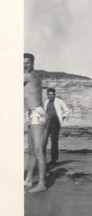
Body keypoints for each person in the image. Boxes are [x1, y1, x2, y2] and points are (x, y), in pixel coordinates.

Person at [24, 53, 47, 193]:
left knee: (38, 151)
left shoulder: (30, 76)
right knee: (31, 151)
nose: (24, 65)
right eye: (22, 63)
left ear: (32, 63)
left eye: (27, 62)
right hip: (30, 114)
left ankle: (42, 184)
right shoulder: (25, 76)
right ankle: (28, 180)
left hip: (37, 114)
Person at [43, 88, 70, 165]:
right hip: (47, 122)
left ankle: (54, 160)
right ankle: (43, 159)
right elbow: (44, 112)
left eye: (52, 94)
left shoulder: (59, 101)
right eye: (49, 94)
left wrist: (62, 117)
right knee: (44, 141)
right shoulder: (46, 102)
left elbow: (67, 110)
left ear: (54, 95)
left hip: (55, 122)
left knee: (54, 141)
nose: (50, 96)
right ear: (47, 95)